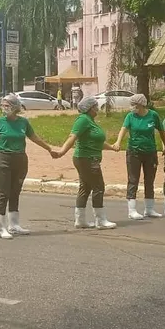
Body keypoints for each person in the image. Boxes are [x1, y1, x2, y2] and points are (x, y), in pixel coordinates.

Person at [0, 94, 58, 239]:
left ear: (15, 107)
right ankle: (2, 228)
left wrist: (49, 149)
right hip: (3, 160)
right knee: (3, 193)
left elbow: (34, 137)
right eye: (3, 105)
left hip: (20, 160)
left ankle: (14, 225)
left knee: (15, 192)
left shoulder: (23, 122)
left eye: (7, 106)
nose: (4, 108)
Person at [52, 96, 117, 230]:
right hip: (86, 159)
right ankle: (100, 220)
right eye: (95, 106)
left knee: (85, 187)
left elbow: (96, 142)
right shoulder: (83, 120)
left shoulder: (90, 121)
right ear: (90, 108)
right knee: (98, 187)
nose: (97, 108)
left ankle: (80, 220)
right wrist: (61, 152)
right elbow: (72, 137)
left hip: (88, 158)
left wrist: (111, 147)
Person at [113, 94, 165, 220]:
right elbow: (123, 129)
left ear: (142, 105)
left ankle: (149, 209)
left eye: (135, 105)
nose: (132, 107)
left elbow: (161, 131)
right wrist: (118, 142)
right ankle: (132, 210)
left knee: (150, 180)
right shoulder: (130, 116)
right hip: (134, 152)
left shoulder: (153, 115)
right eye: (132, 105)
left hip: (150, 152)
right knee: (133, 179)